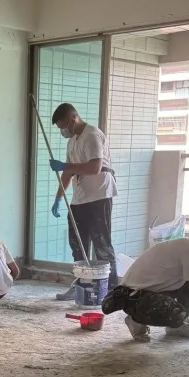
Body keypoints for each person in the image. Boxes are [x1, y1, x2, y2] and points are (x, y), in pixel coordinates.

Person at [101, 223, 189, 343]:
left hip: (145, 292)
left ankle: (175, 327)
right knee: (175, 312)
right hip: (132, 297)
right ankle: (136, 320)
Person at [48, 102, 118, 300]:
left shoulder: (92, 135)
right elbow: (69, 172)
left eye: (64, 127)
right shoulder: (72, 141)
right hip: (80, 198)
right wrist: (58, 198)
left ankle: (111, 290)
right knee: (78, 244)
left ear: (73, 118)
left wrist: (64, 166)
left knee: (102, 244)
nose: (64, 131)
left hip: (99, 195)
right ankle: (81, 285)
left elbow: (95, 167)